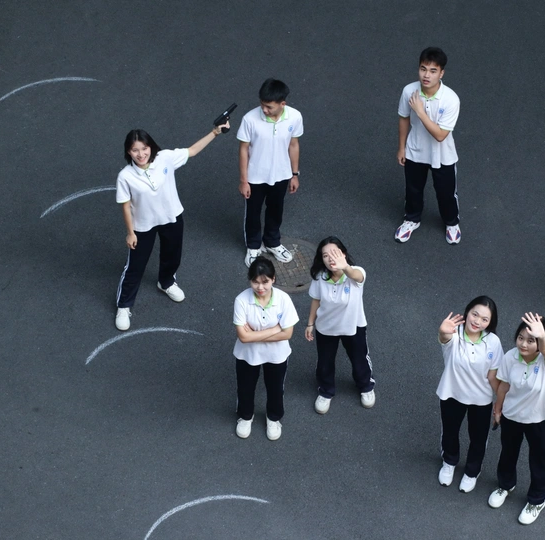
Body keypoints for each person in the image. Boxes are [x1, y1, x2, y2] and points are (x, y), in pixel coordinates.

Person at [115, 124, 229, 331]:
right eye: (135, 150)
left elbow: (192, 151)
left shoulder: (165, 158)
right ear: (128, 152)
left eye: (144, 148)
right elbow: (125, 205)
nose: (141, 154)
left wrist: (214, 132)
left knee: (172, 255)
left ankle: (166, 282)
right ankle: (124, 305)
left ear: (151, 147)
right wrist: (130, 233)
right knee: (135, 266)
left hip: (172, 217)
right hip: (143, 225)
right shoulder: (125, 176)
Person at [489, 313, 545, 525]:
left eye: (531, 340)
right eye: (520, 338)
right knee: (508, 453)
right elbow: (504, 386)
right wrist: (498, 409)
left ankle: (537, 500)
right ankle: (505, 485)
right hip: (512, 416)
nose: (523, 344)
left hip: (539, 419)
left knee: (539, 460)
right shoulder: (510, 357)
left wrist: (542, 338)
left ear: (541, 341)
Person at [435, 296, 503, 493]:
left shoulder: (493, 342)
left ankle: (472, 472)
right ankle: (449, 462)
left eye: (484, 319)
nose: (477, 321)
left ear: (490, 323)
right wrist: (442, 331)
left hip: (481, 400)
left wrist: (499, 404)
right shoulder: (454, 332)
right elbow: (444, 339)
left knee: (478, 438)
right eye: (475, 314)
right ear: (467, 311)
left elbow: (493, 376)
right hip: (452, 394)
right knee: (450, 431)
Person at [395, 47, 461, 245]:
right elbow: (403, 118)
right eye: (423, 69)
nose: (426, 75)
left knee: (446, 193)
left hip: (443, 155)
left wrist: (420, 111)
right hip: (415, 151)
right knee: (413, 190)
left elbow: (440, 135)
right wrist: (401, 147)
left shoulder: (451, 99)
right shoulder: (409, 91)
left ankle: (452, 223)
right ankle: (411, 219)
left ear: (441, 73)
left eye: (433, 71)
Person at [237, 78, 304, 267]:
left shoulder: (295, 117)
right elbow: (243, 150)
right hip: (255, 177)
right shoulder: (250, 119)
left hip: (281, 175)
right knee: (253, 213)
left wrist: (294, 174)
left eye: (269, 107)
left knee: (276, 210)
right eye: (262, 104)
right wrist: (244, 180)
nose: (264, 110)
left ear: (283, 104)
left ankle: (272, 242)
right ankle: (253, 246)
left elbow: (293, 145)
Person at [304, 237, 375, 414]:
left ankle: (366, 386)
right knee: (325, 362)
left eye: (335, 253)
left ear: (343, 253)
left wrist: (345, 267)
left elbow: (357, 276)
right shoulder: (320, 277)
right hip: (326, 327)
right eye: (325, 256)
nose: (330, 258)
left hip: (353, 326)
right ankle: (325, 391)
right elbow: (316, 300)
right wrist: (310, 323)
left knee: (359, 358)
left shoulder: (355, 273)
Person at [232, 256, 299, 441]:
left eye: (265, 282)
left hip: (277, 355)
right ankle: (245, 416)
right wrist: (275, 329)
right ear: (250, 280)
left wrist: (254, 335)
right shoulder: (241, 300)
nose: (260, 287)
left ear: (273, 279)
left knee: (275, 388)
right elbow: (243, 337)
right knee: (245, 388)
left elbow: (287, 334)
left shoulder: (283, 299)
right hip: (247, 355)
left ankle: (273, 418)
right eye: (255, 282)